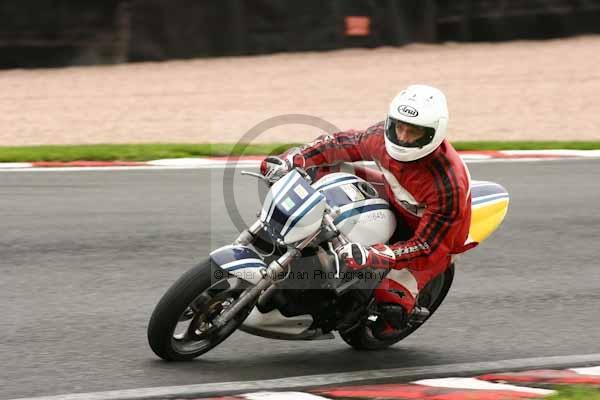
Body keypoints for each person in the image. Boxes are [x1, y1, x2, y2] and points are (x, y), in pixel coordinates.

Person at [261, 84, 475, 338]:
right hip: (396, 194)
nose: (402, 137)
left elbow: (427, 246)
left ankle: (364, 312)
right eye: (399, 126)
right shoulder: (382, 137)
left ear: (433, 134)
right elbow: (343, 143)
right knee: (320, 171)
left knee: (391, 308)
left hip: (432, 235)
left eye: (414, 132)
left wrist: (376, 254)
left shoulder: (448, 185)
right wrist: (294, 159)